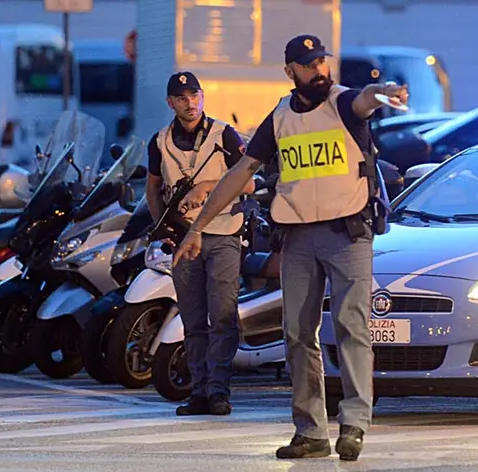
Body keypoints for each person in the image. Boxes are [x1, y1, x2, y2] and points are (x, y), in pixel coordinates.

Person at [172, 34, 407, 461]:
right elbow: (239, 173)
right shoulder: (280, 117)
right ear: (290, 71)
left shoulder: (342, 102)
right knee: (297, 334)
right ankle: (311, 432)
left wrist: (386, 92)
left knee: (352, 327)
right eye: (308, 64)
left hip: (347, 233)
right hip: (297, 236)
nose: (318, 70)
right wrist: (197, 229)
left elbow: (366, 99)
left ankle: (353, 423)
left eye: (321, 61)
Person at [146, 71, 255, 416]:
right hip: (182, 241)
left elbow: (249, 185)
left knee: (222, 316)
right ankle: (199, 391)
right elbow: (152, 187)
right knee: (193, 320)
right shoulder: (160, 141)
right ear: (170, 103)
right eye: (181, 98)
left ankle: (219, 392)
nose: (189, 103)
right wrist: (160, 225)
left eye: (194, 95)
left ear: (202, 96)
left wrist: (207, 186)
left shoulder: (224, 134)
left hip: (223, 234)